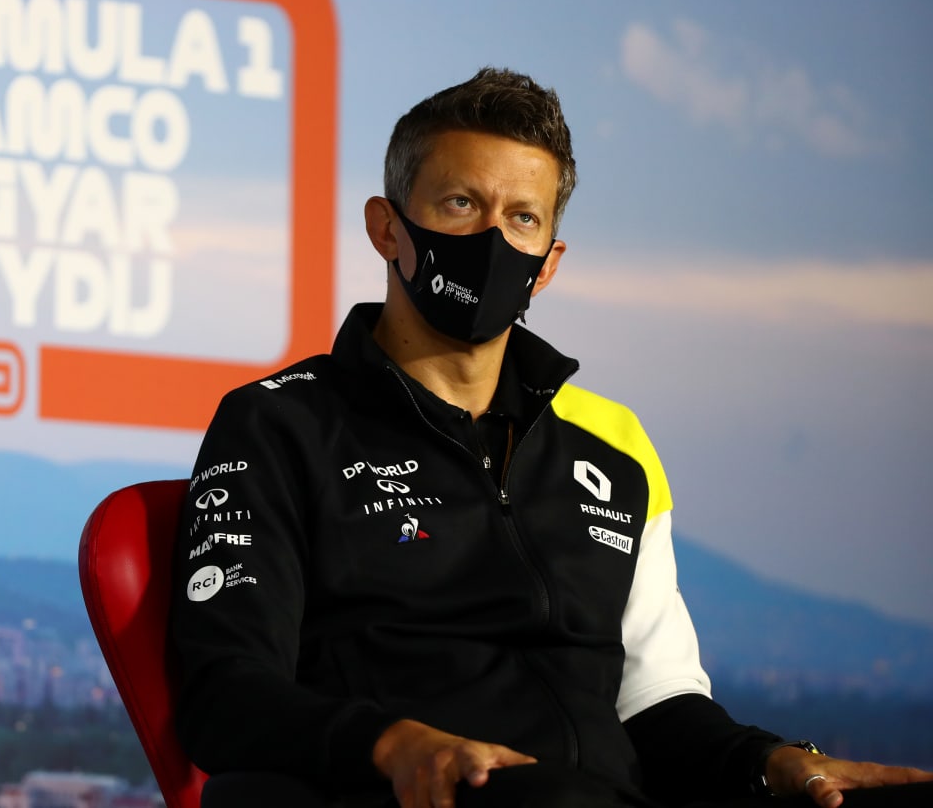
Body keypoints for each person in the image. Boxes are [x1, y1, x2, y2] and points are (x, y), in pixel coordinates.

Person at [167, 67, 933, 808]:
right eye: (462, 203)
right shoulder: (280, 424)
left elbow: (655, 703)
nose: (493, 237)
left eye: (522, 217)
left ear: (548, 264)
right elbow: (225, 691)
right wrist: (394, 743)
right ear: (386, 227)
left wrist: (776, 763)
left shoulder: (611, 458)